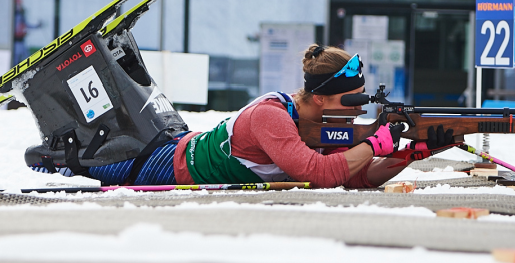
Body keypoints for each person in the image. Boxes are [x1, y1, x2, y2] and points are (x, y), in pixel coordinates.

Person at [68, 44, 454, 188]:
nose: (354, 112)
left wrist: (411, 153)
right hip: (165, 165)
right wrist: (373, 142)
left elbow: (358, 178)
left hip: (180, 151)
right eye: (350, 103)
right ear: (319, 100)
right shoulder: (272, 117)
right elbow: (319, 174)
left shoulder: (319, 125)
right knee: (77, 164)